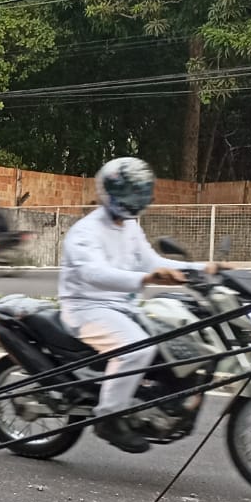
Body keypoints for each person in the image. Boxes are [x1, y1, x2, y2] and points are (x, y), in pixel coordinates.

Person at [58, 157, 212, 454]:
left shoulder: (129, 226)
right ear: (109, 193)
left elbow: (152, 261)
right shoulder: (85, 232)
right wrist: (147, 278)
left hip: (123, 307)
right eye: (128, 195)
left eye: (138, 195)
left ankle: (153, 398)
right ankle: (108, 418)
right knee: (137, 349)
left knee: (175, 338)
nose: (133, 202)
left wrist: (202, 269)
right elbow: (95, 274)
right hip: (87, 308)